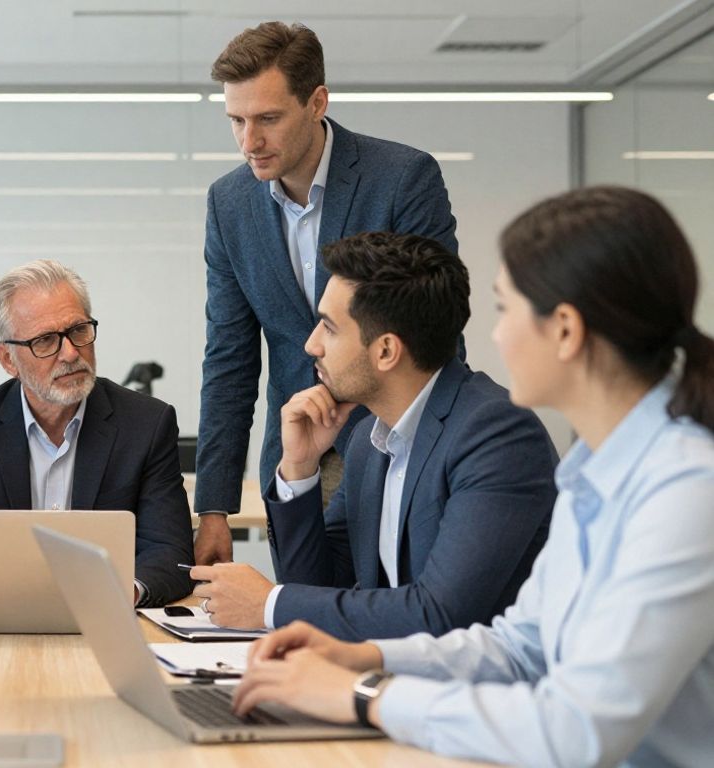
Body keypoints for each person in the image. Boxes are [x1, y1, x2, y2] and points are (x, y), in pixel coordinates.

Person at [230, 186, 714, 767]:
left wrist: (362, 695)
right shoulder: (596, 474)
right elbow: (518, 647)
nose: (494, 335)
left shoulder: (685, 491)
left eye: (506, 309)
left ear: (564, 330)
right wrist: (365, 658)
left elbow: (577, 731)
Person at [193, 232, 556, 640]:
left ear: (385, 351)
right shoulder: (370, 440)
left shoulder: (495, 436)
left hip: (478, 694)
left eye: (328, 328)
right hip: (384, 681)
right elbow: (319, 590)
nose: (311, 345)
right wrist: (299, 467)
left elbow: (441, 614)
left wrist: (270, 604)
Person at [194, 22, 458, 566]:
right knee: (301, 613)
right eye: (236, 121)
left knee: (394, 616)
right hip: (297, 456)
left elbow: (435, 327)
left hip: (396, 444)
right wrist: (213, 508)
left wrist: (432, 453)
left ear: (317, 102)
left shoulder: (401, 178)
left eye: (267, 118)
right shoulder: (229, 204)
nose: (249, 142)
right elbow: (230, 358)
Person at [0, 260, 194, 607]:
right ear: (8, 359)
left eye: (79, 331)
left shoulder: (146, 424)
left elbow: (170, 551)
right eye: (45, 341)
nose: (70, 353)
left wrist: (122, 592)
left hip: (105, 622)